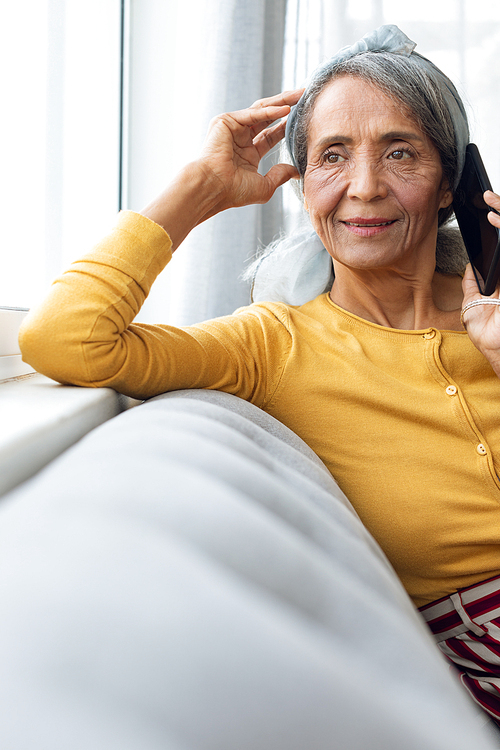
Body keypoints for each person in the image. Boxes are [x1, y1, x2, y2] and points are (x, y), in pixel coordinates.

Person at [19, 25, 500, 724]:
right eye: (332, 157)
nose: (363, 187)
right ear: (303, 186)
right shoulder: (270, 344)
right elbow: (66, 338)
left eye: (400, 152)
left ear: (451, 181)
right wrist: (198, 188)